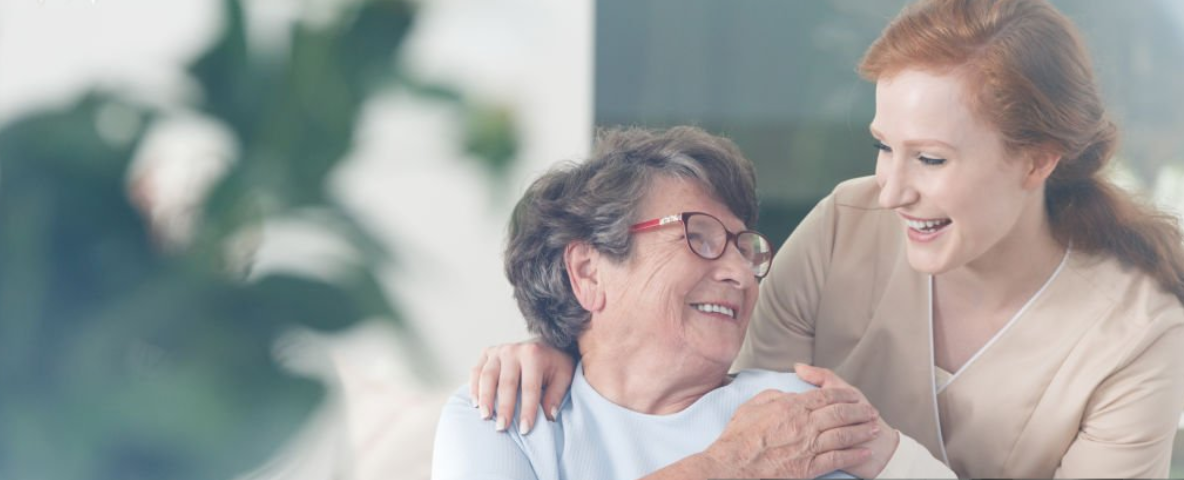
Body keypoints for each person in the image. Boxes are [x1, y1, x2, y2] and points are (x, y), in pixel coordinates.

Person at [466, 0, 1184, 477]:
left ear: (1036, 160)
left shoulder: (1138, 336)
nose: (892, 189)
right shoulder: (849, 224)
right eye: (883, 146)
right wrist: (567, 340)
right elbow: (708, 403)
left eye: (930, 158)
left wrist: (885, 454)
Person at [432, 126, 955, 479]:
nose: (738, 273)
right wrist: (733, 465)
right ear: (589, 272)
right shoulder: (502, 415)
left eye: (742, 246)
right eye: (699, 236)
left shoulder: (795, 414)